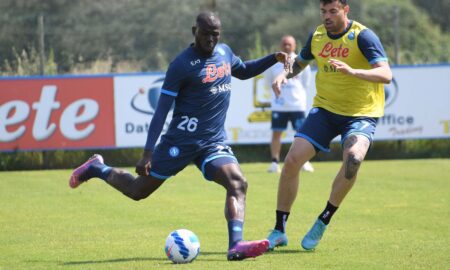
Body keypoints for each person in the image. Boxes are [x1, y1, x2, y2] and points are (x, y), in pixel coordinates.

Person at [69, 12, 289, 261]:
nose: (210, 40)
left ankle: (235, 246)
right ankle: (97, 167)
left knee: (237, 183)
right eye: (205, 34)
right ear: (194, 30)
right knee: (137, 191)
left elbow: (245, 70)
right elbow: (161, 110)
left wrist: (273, 58)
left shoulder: (225, 53)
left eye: (215, 35)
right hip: (179, 142)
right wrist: (147, 153)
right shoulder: (181, 65)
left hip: (211, 143)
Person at [266, 0, 392, 251]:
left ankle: (323, 220)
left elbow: (386, 74)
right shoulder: (317, 35)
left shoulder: (363, 37)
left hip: (361, 114)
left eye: (333, 11)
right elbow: (299, 62)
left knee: (353, 159)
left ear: (346, 10)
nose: (327, 16)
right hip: (325, 110)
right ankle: (279, 230)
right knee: (291, 161)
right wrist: (283, 74)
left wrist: (354, 72)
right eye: (323, 11)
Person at [265, 35, 314, 174]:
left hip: (297, 105)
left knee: (302, 135)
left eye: (289, 44)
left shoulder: (301, 61)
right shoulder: (274, 63)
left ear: (294, 45)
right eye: (284, 44)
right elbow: (268, 82)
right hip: (279, 105)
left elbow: (305, 83)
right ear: (281, 45)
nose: (287, 46)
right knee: (276, 133)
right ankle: (275, 162)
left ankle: (304, 162)